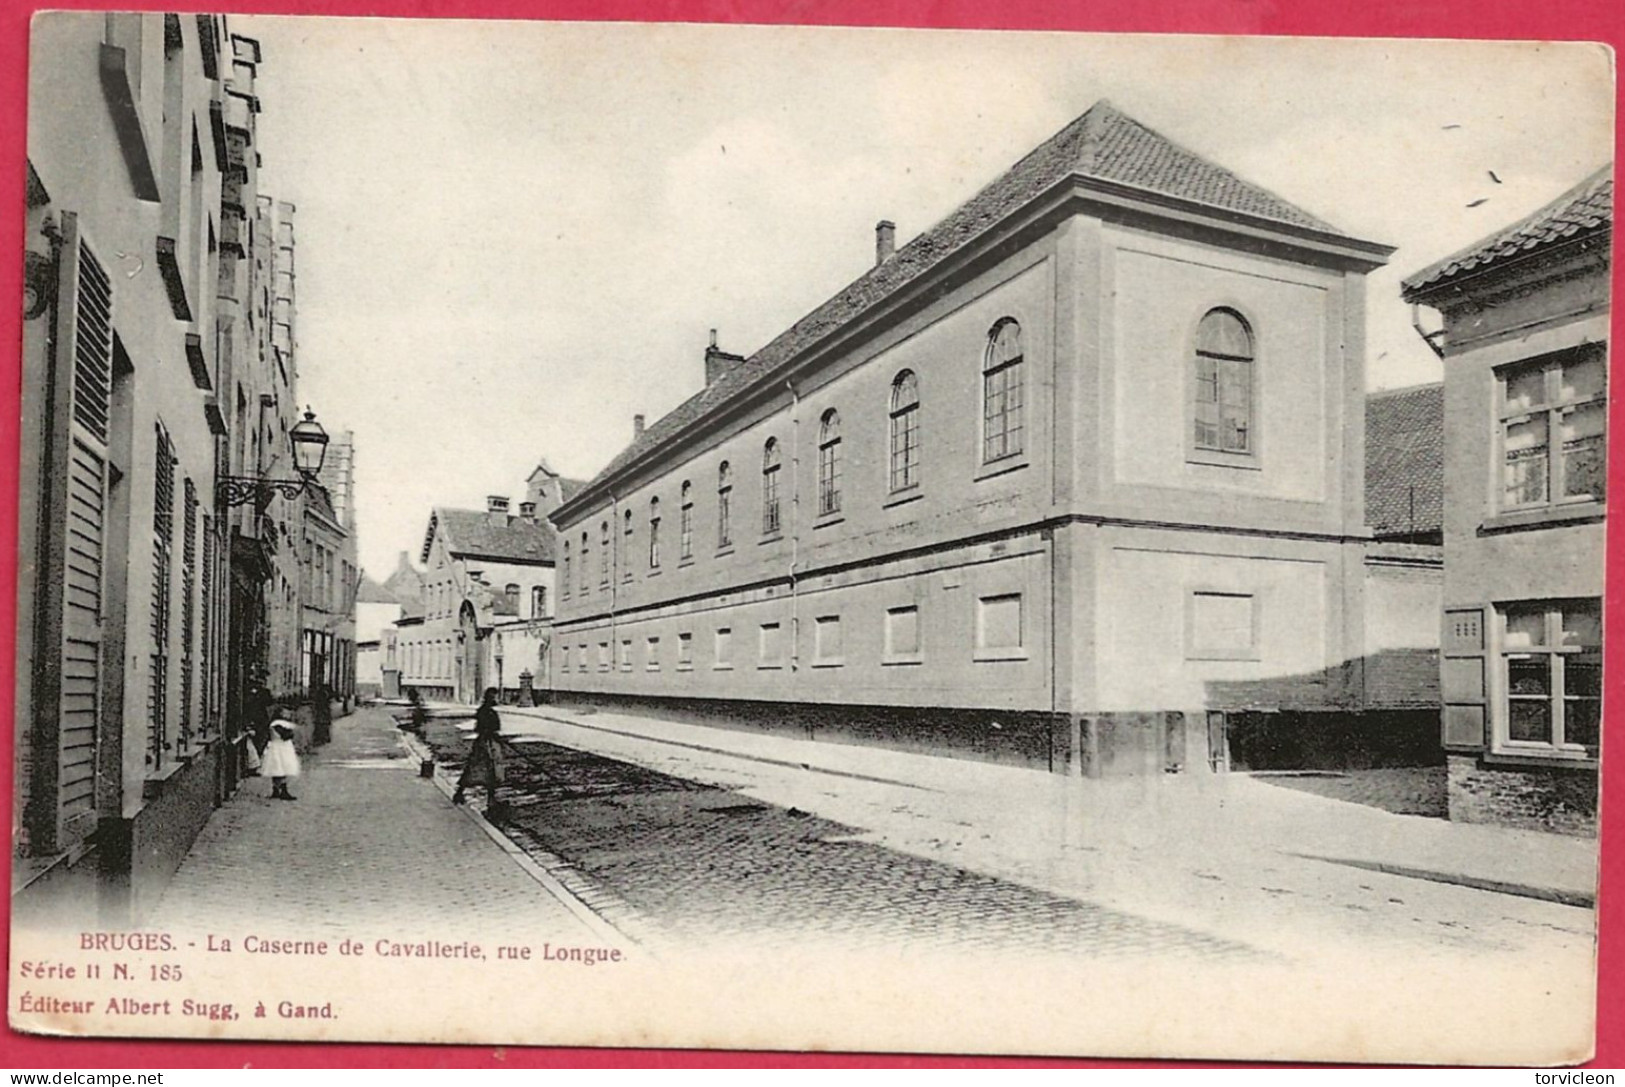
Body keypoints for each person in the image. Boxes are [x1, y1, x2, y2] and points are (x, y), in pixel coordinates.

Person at [452, 688, 504, 811]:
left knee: (482, 770)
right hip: (485, 744)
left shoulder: (488, 711)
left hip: (488, 743)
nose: (496, 699)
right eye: (494, 697)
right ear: (489, 698)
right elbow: (481, 728)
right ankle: (488, 800)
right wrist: (491, 735)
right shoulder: (484, 712)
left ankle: (462, 793)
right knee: (486, 770)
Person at [261, 706, 302, 801]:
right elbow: (285, 736)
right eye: (286, 712)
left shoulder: (276, 724)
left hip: (280, 747)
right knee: (281, 767)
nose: (288, 714)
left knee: (277, 768)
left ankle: (276, 789)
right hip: (280, 747)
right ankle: (283, 790)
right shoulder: (278, 724)